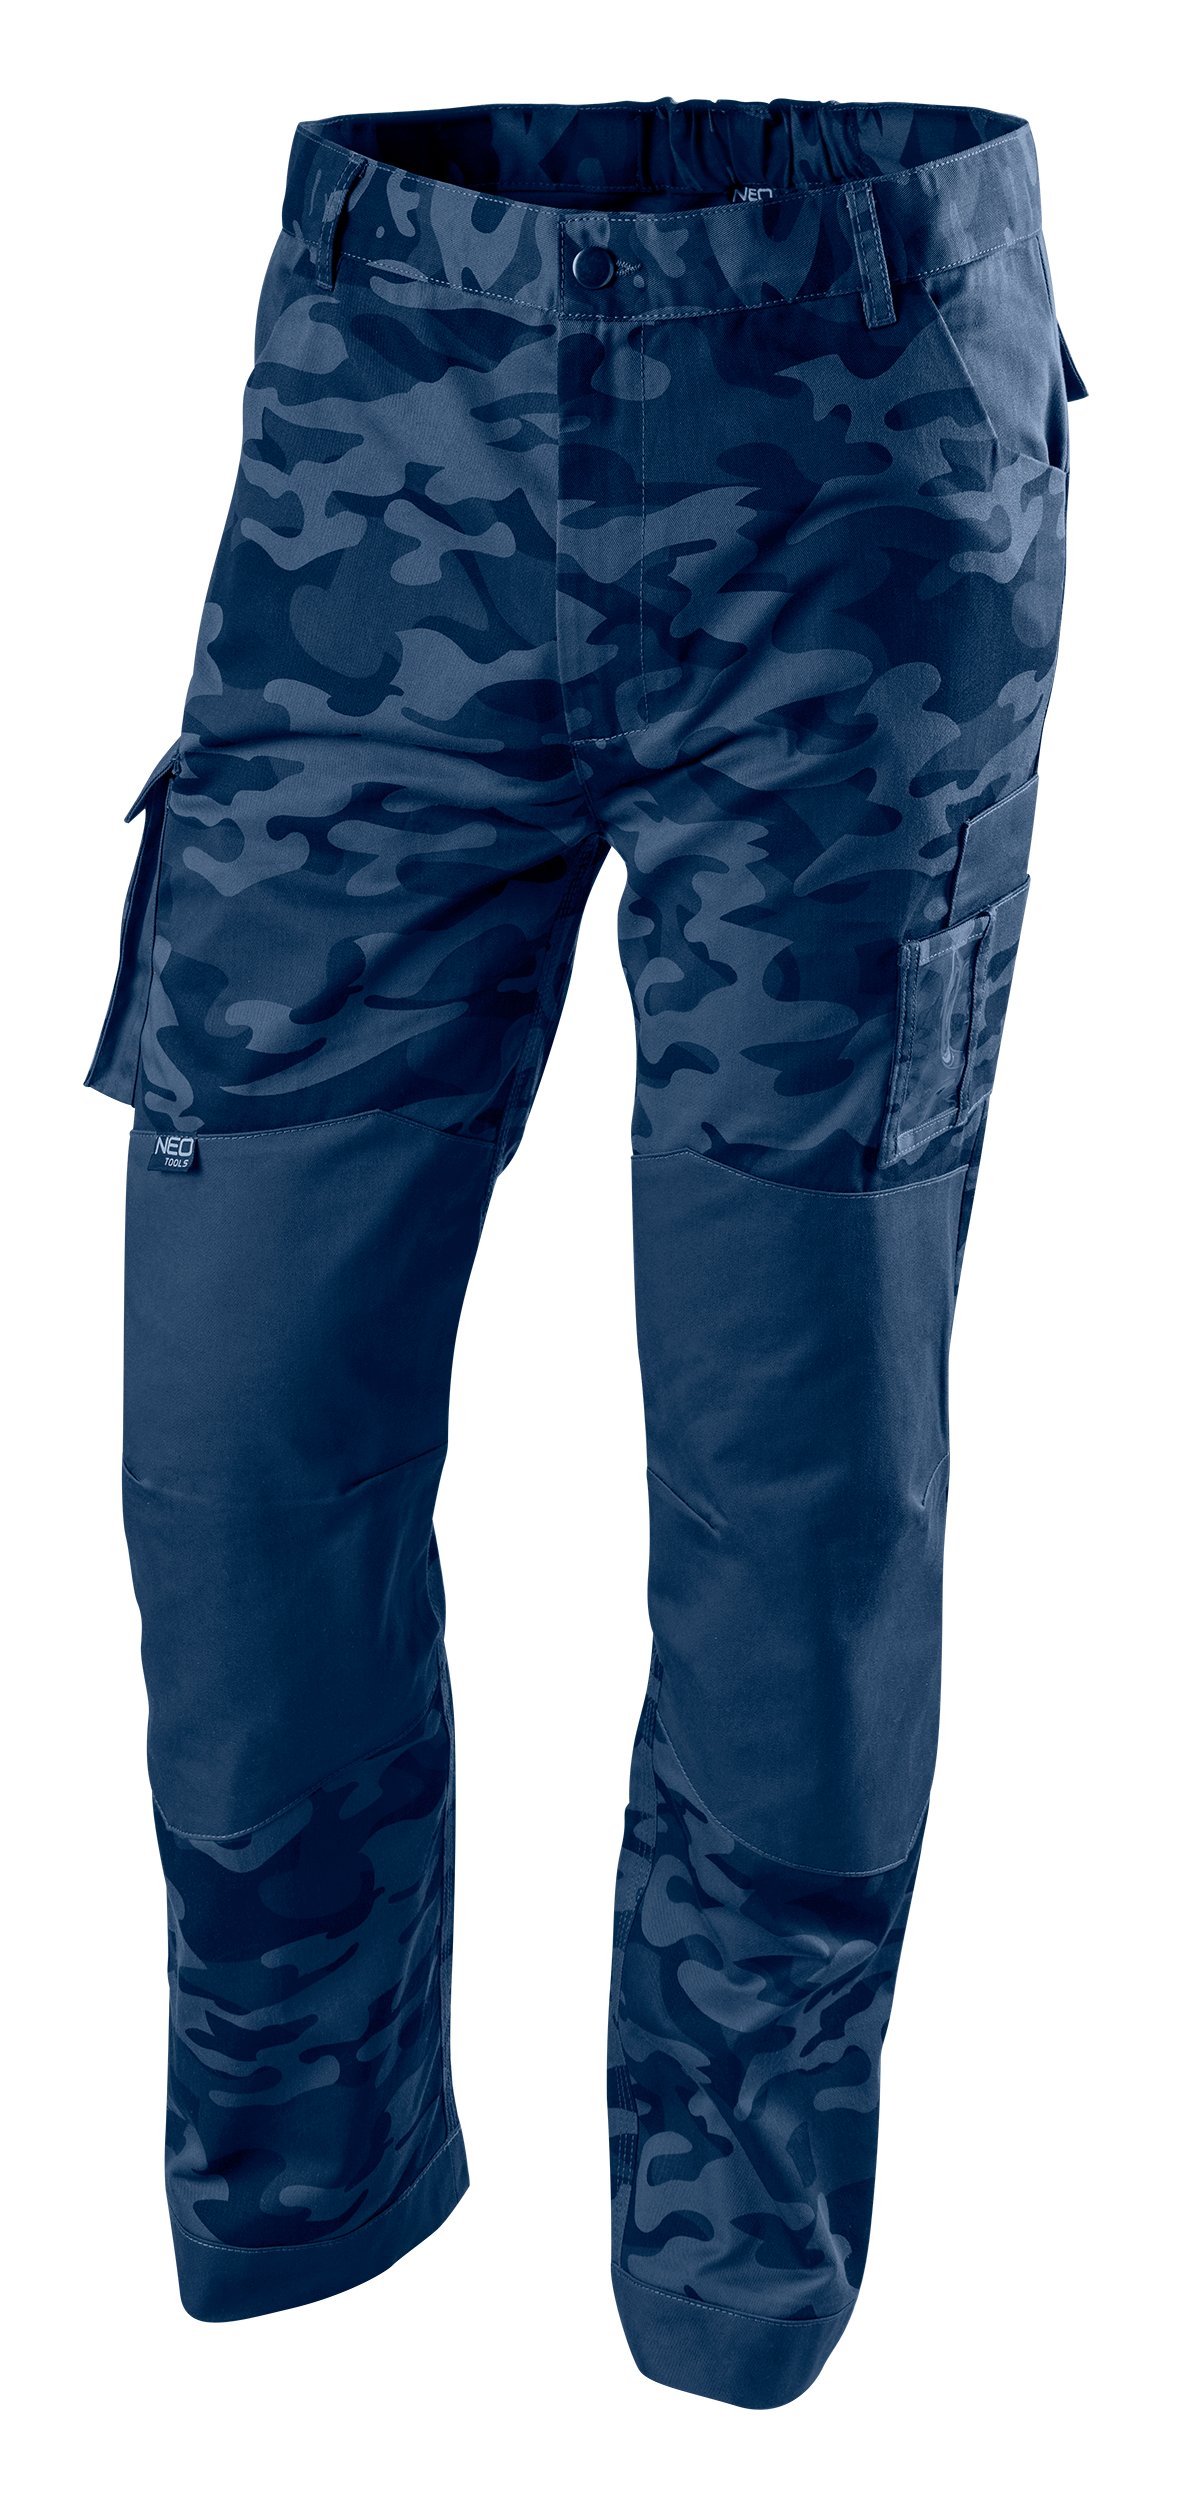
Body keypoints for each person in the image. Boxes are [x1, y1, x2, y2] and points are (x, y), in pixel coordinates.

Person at [87, 98, 1085, 2408]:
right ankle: (306, 2257)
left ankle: (731, 2327)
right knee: (235, 1424)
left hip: (859, 408)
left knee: (798, 1470)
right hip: (398, 369)